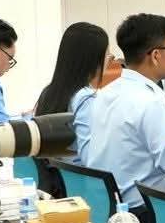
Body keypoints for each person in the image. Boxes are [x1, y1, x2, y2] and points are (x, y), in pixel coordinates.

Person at [82, 13, 165, 223]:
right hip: (141, 215)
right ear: (156, 55)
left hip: (104, 209)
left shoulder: (105, 93)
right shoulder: (151, 101)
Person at [33, 21, 113, 160]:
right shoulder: (86, 98)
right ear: (93, 59)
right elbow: (92, 157)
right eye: (108, 55)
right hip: (80, 173)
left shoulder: (49, 92)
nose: (109, 62)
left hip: (58, 172)